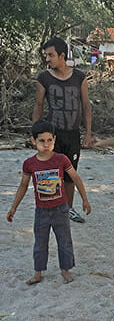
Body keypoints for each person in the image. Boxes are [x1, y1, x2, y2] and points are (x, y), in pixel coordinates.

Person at [6, 120, 91, 285]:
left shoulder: (61, 159)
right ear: (33, 141)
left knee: (64, 241)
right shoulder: (30, 163)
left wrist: (85, 200)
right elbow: (23, 186)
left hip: (61, 209)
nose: (46, 144)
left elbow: (76, 179)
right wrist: (13, 207)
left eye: (49, 140)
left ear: (54, 139)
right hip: (41, 211)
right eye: (41, 141)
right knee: (40, 243)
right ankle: (38, 272)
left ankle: (65, 270)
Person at [33, 37, 92, 224]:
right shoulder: (44, 78)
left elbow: (86, 106)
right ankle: (51, 209)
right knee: (50, 173)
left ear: (62, 55)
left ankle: (69, 209)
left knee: (70, 174)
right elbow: (39, 104)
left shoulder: (79, 77)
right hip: (52, 136)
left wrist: (88, 133)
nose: (47, 59)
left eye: (51, 55)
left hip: (73, 134)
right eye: (46, 55)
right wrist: (36, 135)